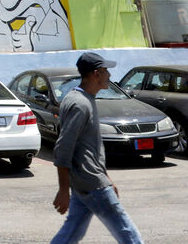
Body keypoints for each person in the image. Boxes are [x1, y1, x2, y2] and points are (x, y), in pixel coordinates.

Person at [50, 52, 143, 244]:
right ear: (95, 74)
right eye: (105, 70)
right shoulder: (80, 104)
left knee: (71, 233)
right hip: (92, 184)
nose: (109, 74)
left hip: (85, 183)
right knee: (129, 235)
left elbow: (89, 149)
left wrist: (107, 178)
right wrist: (63, 189)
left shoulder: (78, 98)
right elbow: (63, 147)